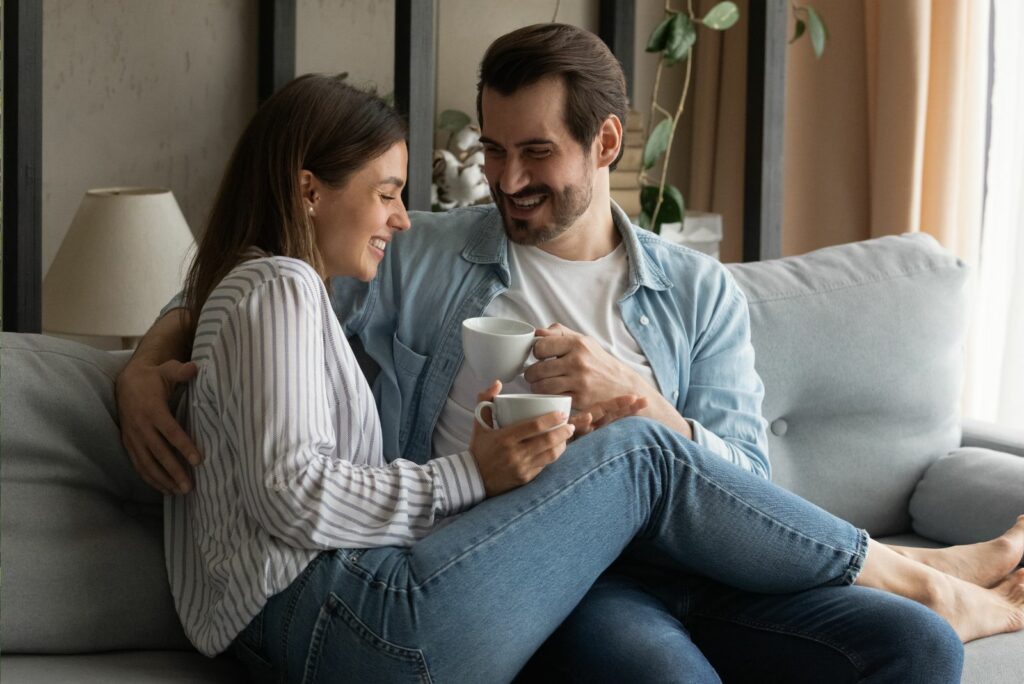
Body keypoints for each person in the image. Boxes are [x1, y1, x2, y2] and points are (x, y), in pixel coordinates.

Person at [120, 29, 1024, 684]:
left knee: (916, 650)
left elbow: (750, 485)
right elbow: (247, 276)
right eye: (494, 150)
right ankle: (921, 572)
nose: (509, 180)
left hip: (701, 566)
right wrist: (139, 370)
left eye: (537, 153)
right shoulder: (418, 251)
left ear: (606, 144)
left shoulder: (697, 292)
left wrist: (641, 398)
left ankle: (923, 591)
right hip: (543, 578)